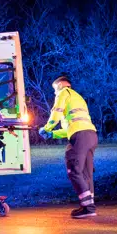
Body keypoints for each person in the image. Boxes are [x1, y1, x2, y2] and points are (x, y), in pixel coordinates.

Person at [39, 74, 98, 219]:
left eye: (54, 89)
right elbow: (69, 128)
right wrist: (52, 135)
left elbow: (56, 114)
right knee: (86, 173)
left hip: (80, 136)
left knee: (73, 168)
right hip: (91, 135)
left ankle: (88, 208)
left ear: (59, 85)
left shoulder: (63, 93)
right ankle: (89, 206)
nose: (54, 93)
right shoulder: (78, 97)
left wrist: (46, 129)